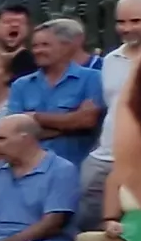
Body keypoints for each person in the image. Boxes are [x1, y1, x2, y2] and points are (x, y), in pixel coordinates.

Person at [9, 16, 110, 165]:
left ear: (65, 47)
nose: (38, 50)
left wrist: (35, 117)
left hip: (77, 166)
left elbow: (87, 120)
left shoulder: (92, 78)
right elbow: (14, 131)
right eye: (35, 46)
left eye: (45, 45)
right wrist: (71, 123)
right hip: (30, 168)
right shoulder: (21, 85)